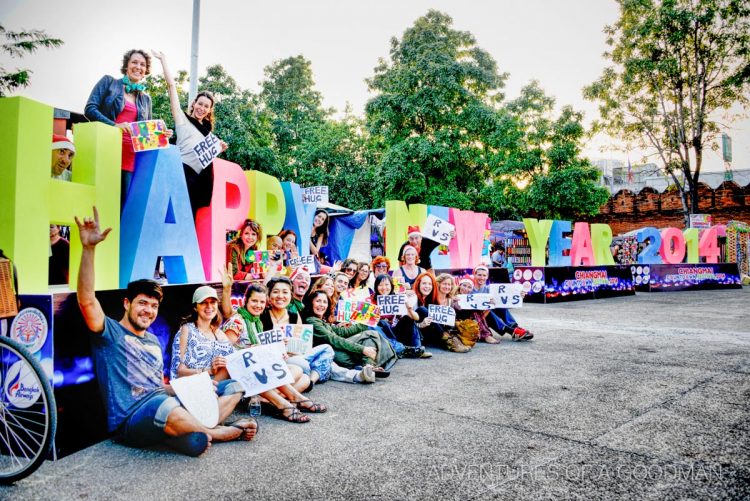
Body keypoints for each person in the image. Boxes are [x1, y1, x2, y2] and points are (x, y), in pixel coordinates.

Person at [75, 207, 256, 457]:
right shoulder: (111, 333)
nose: (148, 310)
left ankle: (190, 433)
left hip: (162, 402)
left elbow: (159, 388)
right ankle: (215, 431)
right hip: (130, 420)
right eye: (142, 303)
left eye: (153, 305)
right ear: (127, 304)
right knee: (164, 405)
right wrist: (88, 249)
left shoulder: (152, 341)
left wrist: (197, 387)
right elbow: (86, 300)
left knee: (231, 387)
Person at [220, 280, 329, 423]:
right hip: (238, 371)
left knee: (300, 374)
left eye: (261, 302)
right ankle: (286, 404)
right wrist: (250, 350)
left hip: (255, 367)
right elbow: (224, 352)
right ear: (245, 301)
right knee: (289, 373)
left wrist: (277, 350)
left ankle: (263, 400)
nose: (258, 305)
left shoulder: (256, 321)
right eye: (254, 301)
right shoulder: (238, 321)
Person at [152, 51, 228, 219]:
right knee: (175, 216)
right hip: (181, 174)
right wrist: (163, 60)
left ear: (209, 111)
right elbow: (171, 87)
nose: (202, 108)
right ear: (194, 104)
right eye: (200, 103)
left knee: (189, 221)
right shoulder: (182, 119)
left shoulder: (208, 133)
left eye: (206, 106)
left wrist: (219, 149)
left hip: (199, 182)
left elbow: (204, 158)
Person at [85, 49, 154, 206]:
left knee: (124, 211)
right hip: (106, 152)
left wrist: (160, 133)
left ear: (146, 71)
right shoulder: (109, 83)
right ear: (126, 65)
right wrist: (114, 126)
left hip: (131, 161)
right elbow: (90, 109)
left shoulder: (146, 100)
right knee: (101, 205)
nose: (138, 67)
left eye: (142, 64)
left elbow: (145, 131)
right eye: (134, 62)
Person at [304, 290, 396, 374]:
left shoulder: (321, 320)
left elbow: (342, 332)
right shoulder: (311, 320)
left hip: (339, 351)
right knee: (371, 335)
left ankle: (368, 366)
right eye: (318, 301)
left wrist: (366, 321)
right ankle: (368, 365)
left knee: (371, 335)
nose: (322, 305)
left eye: (325, 302)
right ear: (311, 303)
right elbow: (334, 339)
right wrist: (362, 349)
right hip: (336, 356)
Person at [371, 274, 431, 359]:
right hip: (385, 333)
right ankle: (399, 348)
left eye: (387, 284)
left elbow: (416, 318)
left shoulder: (398, 297)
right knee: (383, 323)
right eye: (380, 285)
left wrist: (409, 309)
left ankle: (418, 348)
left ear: (391, 286)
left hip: (397, 332)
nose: (384, 288)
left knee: (408, 318)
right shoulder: (372, 300)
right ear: (376, 287)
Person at [472, 265, 534, 341]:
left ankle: (515, 327)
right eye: (479, 275)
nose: (482, 277)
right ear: (474, 275)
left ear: (487, 276)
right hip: (476, 317)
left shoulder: (490, 288)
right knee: (489, 309)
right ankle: (511, 331)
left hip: (487, 315)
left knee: (501, 306)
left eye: (484, 275)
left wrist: (519, 294)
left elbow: (508, 296)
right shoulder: (470, 288)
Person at [414, 271, 470, 353]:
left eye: (449, 284)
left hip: (441, 329)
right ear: (438, 284)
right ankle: (448, 340)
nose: (447, 287)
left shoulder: (451, 300)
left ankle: (451, 339)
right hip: (426, 329)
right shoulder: (431, 296)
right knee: (423, 310)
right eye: (444, 284)